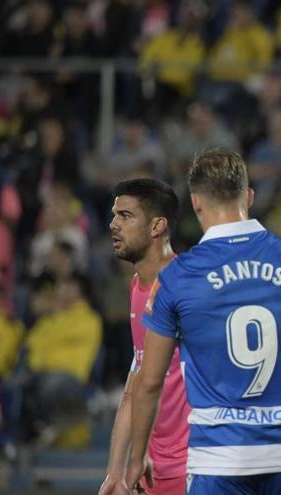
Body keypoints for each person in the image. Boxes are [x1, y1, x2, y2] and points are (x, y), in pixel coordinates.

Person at [125, 149, 281, 494]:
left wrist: (137, 455)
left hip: (218, 457)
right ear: (249, 196)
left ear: (196, 203)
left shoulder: (178, 278)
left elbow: (150, 381)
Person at [100, 179, 188, 495]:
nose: (113, 224)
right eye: (114, 215)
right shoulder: (137, 287)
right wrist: (116, 472)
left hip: (194, 469)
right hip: (150, 470)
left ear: (157, 226)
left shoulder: (186, 288)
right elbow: (134, 387)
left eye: (126, 216)